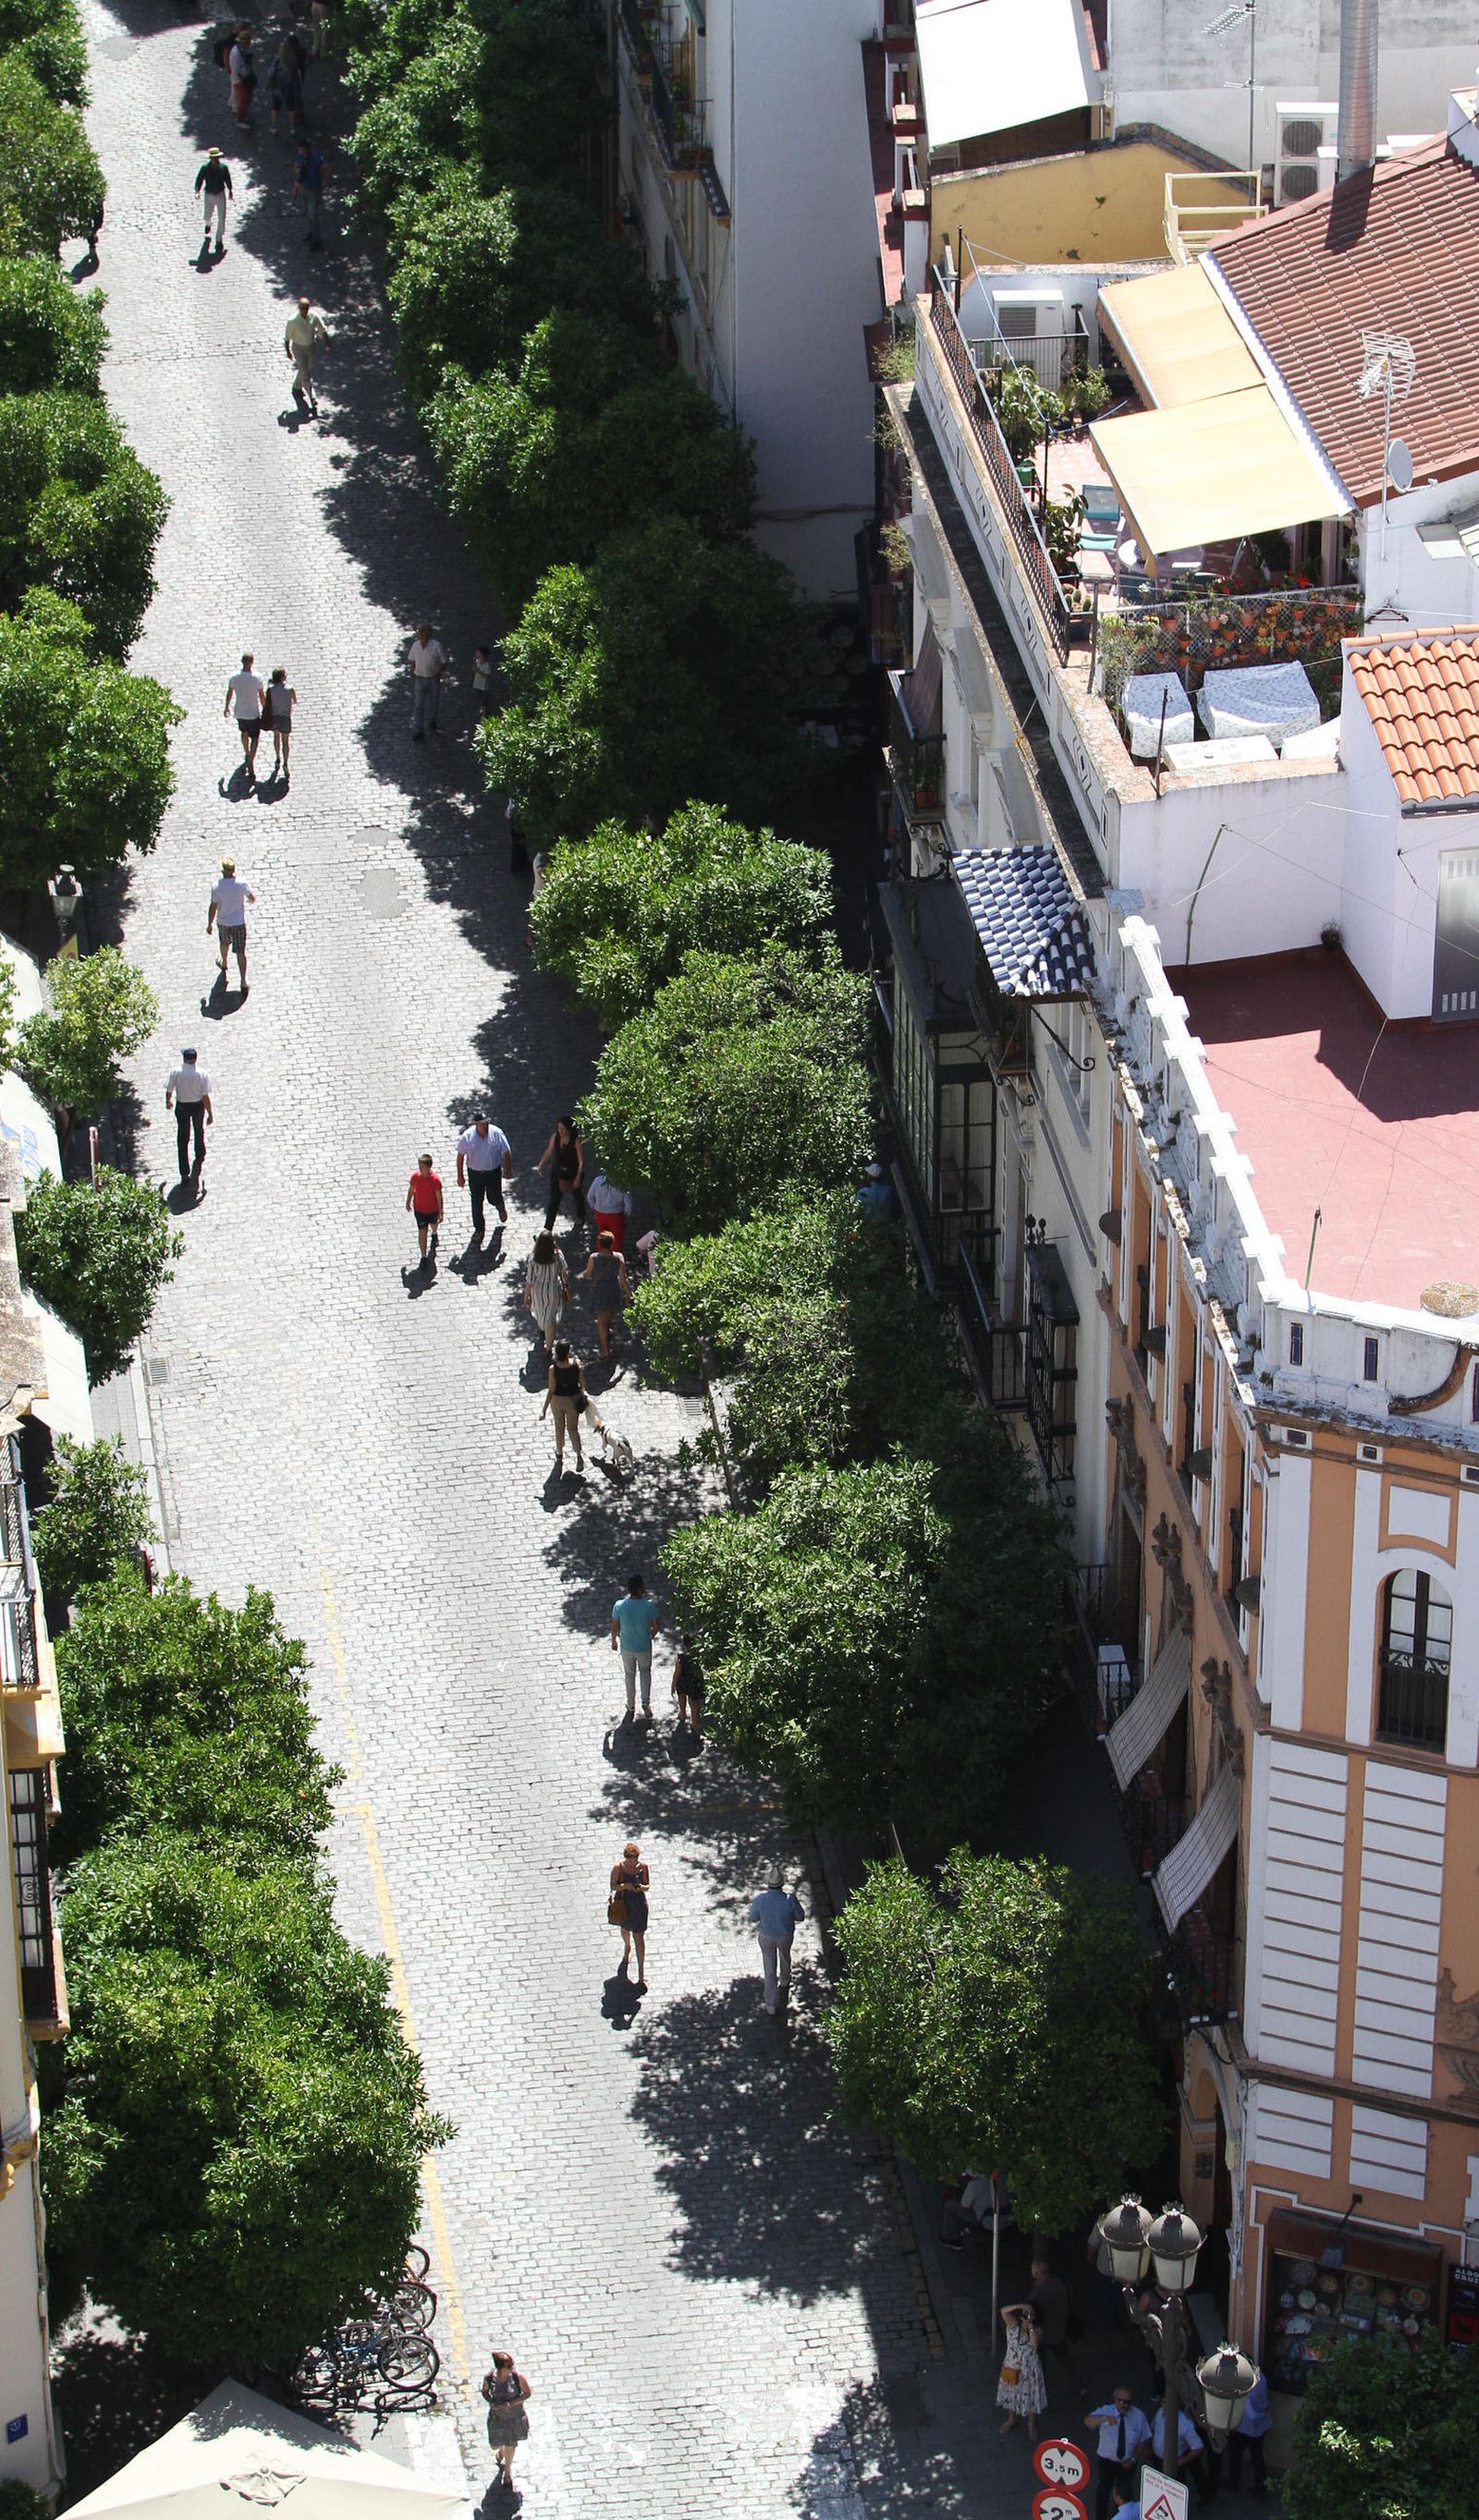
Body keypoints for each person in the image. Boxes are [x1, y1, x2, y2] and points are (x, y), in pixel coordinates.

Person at [1084, 2391, 1152, 2520]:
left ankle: (1120, 2514)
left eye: (1127, 2402)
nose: (1124, 2404)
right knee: (1103, 2491)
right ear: (1115, 2400)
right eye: (1120, 2401)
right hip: (1107, 2461)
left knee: (1123, 2492)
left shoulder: (1138, 2416)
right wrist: (1103, 2418)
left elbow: (1144, 2439)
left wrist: (1133, 2459)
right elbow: (1088, 2422)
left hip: (1127, 2462)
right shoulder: (1106, 2410)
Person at [748, 1872, 804, 2015]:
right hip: (785, 1935)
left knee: (769, 1969)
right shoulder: (790, 1899)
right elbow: (800, 1916)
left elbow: (753, 1917)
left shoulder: (761, 1899)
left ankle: (771, 2004)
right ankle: (785, 1980)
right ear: (782, 1884)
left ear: (768, 1884)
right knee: (785, 1956)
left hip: (767, 1936)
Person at [610, 1570, 659, 1725]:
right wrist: (650, 1635)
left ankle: (631, 1704)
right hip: (644, 1646)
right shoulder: (648, 1605)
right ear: (641, 1588)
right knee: (645, 1672)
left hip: (627, 1647)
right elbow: (655, 1627)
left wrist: (614, 1641)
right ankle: (646, 1702)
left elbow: (614, 1626)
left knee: (629, 1675)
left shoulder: (619, 1606)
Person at [480, 2353, 532, 2495]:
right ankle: (502, 2451)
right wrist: (491, 2402)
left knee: (511, 2443)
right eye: (508, 2367)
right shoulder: (490, 2378)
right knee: (497, 2443)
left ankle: (507, 2472)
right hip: (497, 2418)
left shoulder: (517, 2377)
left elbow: (527, 2393)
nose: (512, 2369)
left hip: (513, 2418)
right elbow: (484, 2391)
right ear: (500, 2368)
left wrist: (512, 2403)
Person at [456, 1114, 512, 1240]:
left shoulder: (496, 1133)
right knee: (476, 1202)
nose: (485, 1126)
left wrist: (508, 1170)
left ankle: (500, 1206)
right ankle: (479, 1229)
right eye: (482, 1124)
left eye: (486, 1123)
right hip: (475, 1173)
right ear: (476, 1124)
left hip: (493, 1172)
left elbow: (507, 1152)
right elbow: (460, 1156)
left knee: (494, 1197)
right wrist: (460, 1176)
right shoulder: (468, 1136)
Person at [541, 1338, 593, 1475]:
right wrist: (582, 1397)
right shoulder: (577, 1364)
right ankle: (578, 1454)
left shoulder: (553, 1369)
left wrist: (544, 1409)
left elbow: (551, 1389)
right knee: (573, 1429)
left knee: (559, 1426)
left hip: (557, 1400)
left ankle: (559, 1451)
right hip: (573, 1400)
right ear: (568, 1351)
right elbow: (582, 1384)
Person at [996, 2301, 1046, 2441]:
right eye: (1025, 2314)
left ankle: (1031, 2426)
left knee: (1030, 2397)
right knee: (1011, 2394)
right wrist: (1020, 2306)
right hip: (1012, 2367)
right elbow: (1003, 2311)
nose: (1027, 2316)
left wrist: (1029, 2325)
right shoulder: (1013, 2325)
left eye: (1031, 2314)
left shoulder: (1037, 2330)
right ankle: (1011, 2419)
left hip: (1029, 2370)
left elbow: (1034, 2344)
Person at [581, 1228, 630, 1362]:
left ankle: (604, 1350)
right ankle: (607, 1333)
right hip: (614, 1289)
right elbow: (623, 1277)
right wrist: (629, 1293)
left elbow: (588, 1273)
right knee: (609, 1315)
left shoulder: (594, 1257)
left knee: (601, 1321)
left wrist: (585, 1273)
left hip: (600, 1291)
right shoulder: (618, 1257)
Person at [207, 857, 255, 992]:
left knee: (224, 943)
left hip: (223, 922)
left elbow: (213, 907)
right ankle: (243, 981)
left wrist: (209, 924)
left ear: (223, 870)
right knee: (240, 952)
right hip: (239, 923)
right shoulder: (241, 883)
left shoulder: (217, 886)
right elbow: (252, 897)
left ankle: (225, 962)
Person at [165, 1050, 212, 1183]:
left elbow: (169, 1089)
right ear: (196, 1059)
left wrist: (168, 1101)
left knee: (182, 1139)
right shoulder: (202, 1074)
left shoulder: (176, 1072)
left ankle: (184, 1173)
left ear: (184, 1059)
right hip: (197, 1106)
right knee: (198, 1129)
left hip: (182, 1106)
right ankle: (200, 1152)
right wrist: (210, 1113)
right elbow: (205, 1096)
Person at [1030, 2254, 1075, 2394]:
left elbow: (1034, 2313)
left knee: (1040, 2361)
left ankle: (1040, 2389)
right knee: (1064, 2358)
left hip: (1045, 2333)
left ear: (1036, 2273)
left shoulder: (1038, 2293)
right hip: (1060, 2328)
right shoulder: (1058, 2282)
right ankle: (1079, 2385)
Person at [1223, 2367, 1271, 2499]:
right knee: (1257, 2457)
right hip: (1259, 2427)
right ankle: (1260, 2487)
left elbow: (1250, 2412)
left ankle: (1234, 2482)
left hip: (1244, 2427)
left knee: (1235, 2454)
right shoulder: (1261, 2376)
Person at [1150, 2405, 1212, 2505]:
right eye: (1162, 2402)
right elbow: (1153, 2428)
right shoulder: (1160, 2412)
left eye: (1166, 2402)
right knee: (1159, 2484)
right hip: (1158, 2459)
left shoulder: (1184, 2423)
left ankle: (1203, 2497)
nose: (1164, 2406)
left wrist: (1183, 2460)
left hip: (1176, 2460)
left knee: (1177, 2488)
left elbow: (1198, 2446)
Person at [608, 1839, 649, 1985]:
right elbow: (613, 1886)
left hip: (639, 1905)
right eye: (631, 1860)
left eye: (636, 1860)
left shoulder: (643, 1867)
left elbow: (647, 1885)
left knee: (640, 1938)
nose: (634, 1863)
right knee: (625, 1929)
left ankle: (641, 1973)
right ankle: (627, 1947)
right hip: (624, 1903)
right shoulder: (618, 1867)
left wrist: (640, 1888)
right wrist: (625, 1886)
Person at [522, 1230, 569, 1352]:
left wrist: (526, 1297)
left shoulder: (533, 1259)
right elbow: (564, 1273)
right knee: (550, 1318)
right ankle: (549, 1346)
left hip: (537, 1291)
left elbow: (530, 1280)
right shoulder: (558, 1255)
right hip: (553, 1289)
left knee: (541, 1314)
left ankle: (544, 1334)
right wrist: (566, 1284)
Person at [224, 652, 266, 781]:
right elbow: (261, 695)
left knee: (244, 732)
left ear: (242, 662)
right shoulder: (257, 678)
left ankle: (247, 753)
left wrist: (226, 707)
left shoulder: (234, 677)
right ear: (252, 662)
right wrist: (266, 710)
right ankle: (251, 759)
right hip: (253, 713)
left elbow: (229, 693)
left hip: (240, 712)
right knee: (255, 738)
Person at [536, 1115, 583, 1230]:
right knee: (554, 1200)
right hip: (558, 1172)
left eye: (563, 1128)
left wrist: (578, 1177)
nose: (560, 1131)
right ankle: (548, 1228)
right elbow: (548, 1151)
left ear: (569, 1128)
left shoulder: (575, 1140)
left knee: (577, 1195)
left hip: (573, 1172)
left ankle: (581, 1216)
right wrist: (541, 1164)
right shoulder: (555, 1137)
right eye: (559, 1128)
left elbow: (581, 1161)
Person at [285, 296, 329, 417]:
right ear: (299, 308)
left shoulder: (314, 317)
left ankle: (296, 387)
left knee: (306, 369)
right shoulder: (292, 321)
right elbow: (287, 338)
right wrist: (288, 351)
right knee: (306, 374)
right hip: (298, 348)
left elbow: (322, 330)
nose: (305, 310)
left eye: (307, 308)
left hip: (310, 347)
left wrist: (327, 344)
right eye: (303, 308)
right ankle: (312, 398)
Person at [408, 622, 447, 739]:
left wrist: (438, 673)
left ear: (425, 633)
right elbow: (413, 662)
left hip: (433, 679)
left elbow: (444, 661)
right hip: (419, 678)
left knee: (434, 702)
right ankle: (419, 729)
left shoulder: (436, 646)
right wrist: (412, 677)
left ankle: (432, 720)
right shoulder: (415, 645)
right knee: (419, 705)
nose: (417, 633)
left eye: (419, 631)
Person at [939, 2170, 995, 2251]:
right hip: (1006, 2217)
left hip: (987, 2220)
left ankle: (951, 2238)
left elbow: (964, 2205)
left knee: (950, 2205)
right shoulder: (1001, 2178)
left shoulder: (975, 2184)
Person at [406, 1152, 443, 1261]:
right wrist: (408, 1201)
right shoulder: (415, 1177)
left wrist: (441, 1212)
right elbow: (411, 1189)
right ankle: (423, 1256)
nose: (420, 1169)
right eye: (419, 1166)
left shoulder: (435, 1180)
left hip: (432, 1210)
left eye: (422, 1167)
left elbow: (439, 1197)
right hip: (420, 1210)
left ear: (429, 1167)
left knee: (433, 1224)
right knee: (422, 1231)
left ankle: (434, 1233)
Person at [584, 1169, 632, 1253]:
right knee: (617, 1239)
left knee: (602, 1236)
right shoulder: (622, 1183)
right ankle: (616, 1259)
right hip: (617, 1215)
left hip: (600, 1214)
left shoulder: (598, 1180)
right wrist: (625, 1214)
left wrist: (595, 1207)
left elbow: (589, 1197)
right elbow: (628, 1205)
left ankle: (601, 1256)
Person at [194, 147, 232, 253]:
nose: (215, 159)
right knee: (207, 215)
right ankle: (208, 223)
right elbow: (199, 179)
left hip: (220, 194)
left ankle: (219, 240)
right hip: (209, 194)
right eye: (213, 158)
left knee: (222, 217)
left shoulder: (223, 168)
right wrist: (197, 191)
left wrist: (230, 190)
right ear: (210, 158)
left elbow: (227, 179)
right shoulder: (205, 168)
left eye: (217, 157)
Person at [291, 140, 327, 246]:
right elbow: (295, 168)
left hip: (314, 188)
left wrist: (324, 181)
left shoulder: (316, 157)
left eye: (303, 149)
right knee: (307, 213)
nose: (301, 151)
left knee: (313, 214)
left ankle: (317, 239)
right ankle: (310, 232)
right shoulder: (299, 157)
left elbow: (327, 167)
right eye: (300, 149)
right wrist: (298, 174)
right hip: (304, 187)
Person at [264, 669, 296, 781]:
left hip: (274, 717)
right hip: (285, 718)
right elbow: (295, 701)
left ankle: (278, 758)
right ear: (282, 677)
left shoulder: (270, 690)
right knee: (285, 742)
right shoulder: (290, 689)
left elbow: (267, 703)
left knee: (276, 737)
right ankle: (286, 763)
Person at [671, 1632, 703, 1741]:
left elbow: (677, 1673)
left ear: (684, 1644)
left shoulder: (681, 1658)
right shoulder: (698, 1657)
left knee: (682, 1696)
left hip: (683, 1681)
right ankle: (694, 1723)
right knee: (694, 1702)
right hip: (694, 1681)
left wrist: (673, 1685)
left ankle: (683, 1712)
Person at [269, 37, 304, 135]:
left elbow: (270, 72)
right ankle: (292, 128)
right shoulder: (293, 62)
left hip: (277, 89)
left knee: (275, 107)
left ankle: (273, 126)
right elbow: (297, 77)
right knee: (291, 108)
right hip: (290, 90)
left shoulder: (277, 61)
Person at [227, 26, 254, 125]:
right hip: (240, 79)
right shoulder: (236, 54)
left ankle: (236, 109)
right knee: (243, 99)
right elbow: (238, 69)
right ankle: (240, 120)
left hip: (240, 78)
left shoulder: (238, 50)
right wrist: (247, 73)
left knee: (243, 97)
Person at [471, 643, 492, 714]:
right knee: (479, 698)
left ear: (482, 655)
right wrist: (474, 663)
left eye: (478, 653)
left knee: (484, 699)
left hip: (484, 686)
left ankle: (484, 712)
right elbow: (473, 670)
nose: (476, 654)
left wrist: (477, 670)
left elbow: (486, 676)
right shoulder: (477, 662)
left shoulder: (487, 665)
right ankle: (483, 708)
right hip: (477, 684)